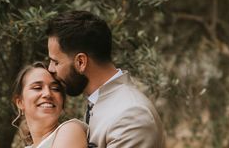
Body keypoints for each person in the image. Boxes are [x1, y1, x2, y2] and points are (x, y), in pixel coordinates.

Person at [47, 11, 165, 147]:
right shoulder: (100, 102)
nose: (50, 69)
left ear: (81, 62)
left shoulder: (131, 115)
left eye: (56, 62)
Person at [12, 61, 88, 148]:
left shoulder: (70, 131)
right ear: (20, 102)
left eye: (55, 89)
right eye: (37, 88)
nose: (48, 94)